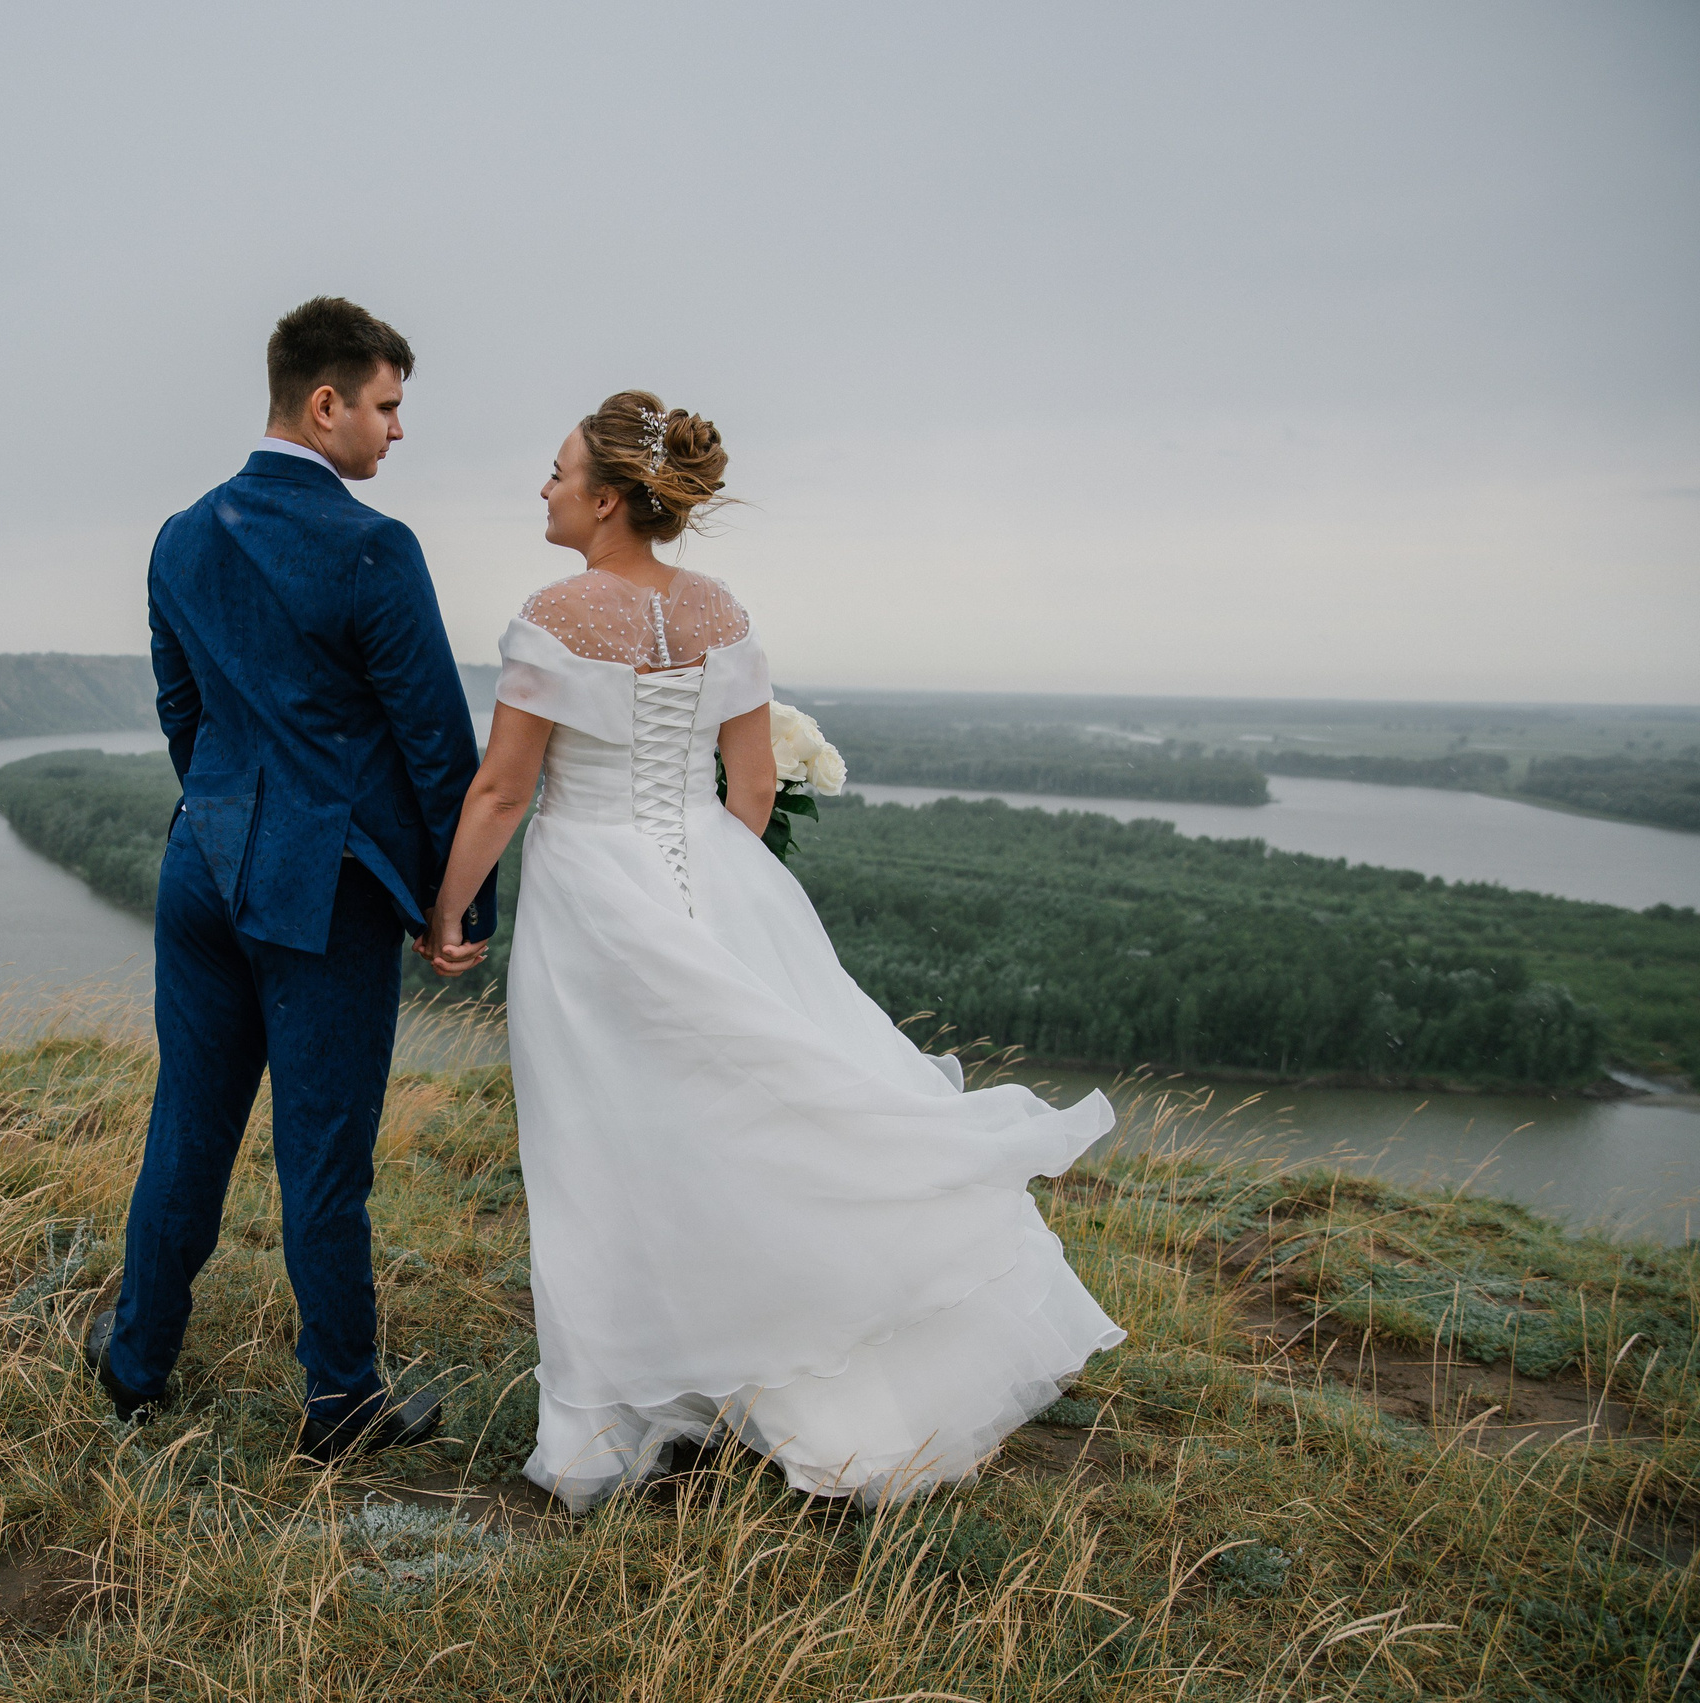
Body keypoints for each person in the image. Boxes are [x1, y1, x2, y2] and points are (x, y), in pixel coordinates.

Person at [423, 393, 1124, 1510]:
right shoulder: (720, 610)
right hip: (721, 886)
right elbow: (750, 788)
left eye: (555, 472)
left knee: (601, 1142)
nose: (544, 489)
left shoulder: (554, 613)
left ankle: (619, 1412)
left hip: (592, 903)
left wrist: (449, 908)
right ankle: (760, 1374)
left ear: (607, 498)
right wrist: (707, 885)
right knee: (740, 1123)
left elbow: (503, 787)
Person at [90, 297, 493, 1462]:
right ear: (324, 405)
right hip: (324, 890)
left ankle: (135, 1365)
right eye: (385, 405)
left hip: (200, 866)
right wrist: (453, 901)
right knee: (323, 1150)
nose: (395, 431)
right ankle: (339, 1402)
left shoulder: (181, 534)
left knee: (190, 1119)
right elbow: (433, 744)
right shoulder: (374, 546)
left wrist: (222, 811)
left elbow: (182, 710)